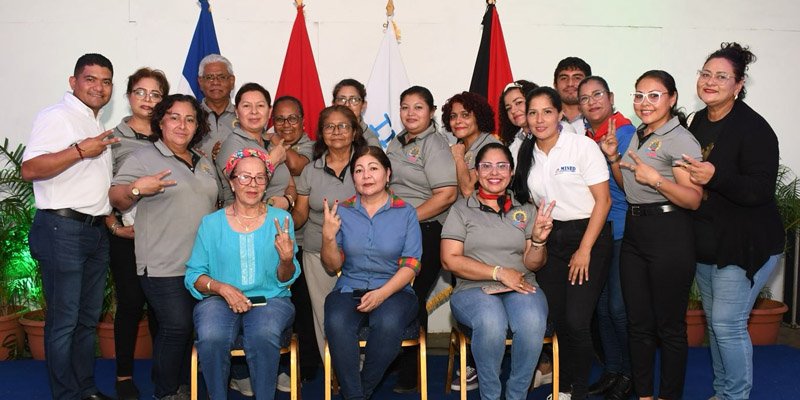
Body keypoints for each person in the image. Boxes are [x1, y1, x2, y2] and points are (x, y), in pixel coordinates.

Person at [686, 42, 784, 400]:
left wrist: (715, 176)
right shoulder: (697, 121)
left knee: (727, 324)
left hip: (746, 245)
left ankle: (735, 396)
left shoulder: (754, 129)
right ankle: (722, 392)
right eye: (706, 73)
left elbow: (759, 190)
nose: (710, 81)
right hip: (708, 243)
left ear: (738, 85)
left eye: (721, 76)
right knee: (716, 325)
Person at [600, 70, 703, 400]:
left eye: (654, 95)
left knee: (669, 328)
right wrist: (614, 158)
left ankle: (668, 396)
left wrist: (656, 180)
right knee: (638, 323)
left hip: (669, 234)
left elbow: (693, 199)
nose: (644, 103)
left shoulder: (681, 140)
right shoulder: (640, 134)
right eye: (639, 95)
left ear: (672, 99)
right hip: (635, 232)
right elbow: (627, 186)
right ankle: (644, 395)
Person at [22, 53, 119, 400]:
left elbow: (91, 183)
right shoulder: (57, 116)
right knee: (64, 320)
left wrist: (110, 218)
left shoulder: (93, 122)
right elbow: (30, 169)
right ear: (73, 82)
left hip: (94, 232)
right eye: (90, 79)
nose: (99, 87)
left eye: (106, 81)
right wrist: (80, 150)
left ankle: (85, 388)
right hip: (62, 229)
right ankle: (65, 394)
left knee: (87, 319)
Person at [109, 94, 218, 400]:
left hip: (200, 267)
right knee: (177, 326)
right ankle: (167, 391)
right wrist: (135, 188)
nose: (182, 124)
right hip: (161, 265)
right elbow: (117, 197)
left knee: (190, 332)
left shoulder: (204, 161)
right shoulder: (144, 158)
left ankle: (185, 385)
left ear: (198, 125)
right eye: (174, 117)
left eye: (190, 118)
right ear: (160, 121)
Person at [441, 143, 554, 400]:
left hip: (521, 285)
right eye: (487, 166)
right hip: (472, 288)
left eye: (502, 166)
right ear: (476, 172)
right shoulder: (461, 209)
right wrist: (499, 272)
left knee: (533, 321)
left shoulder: (526, 209)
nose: (495, 172)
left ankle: (516, 395)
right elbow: (449, 260)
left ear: (512, 172)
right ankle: (490, 396)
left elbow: (534, 263)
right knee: (491, 322)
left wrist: (537, 241)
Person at [186, 149, 300, 400]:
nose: (252, 184)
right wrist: (222, 288)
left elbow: (286, 278)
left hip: (271, 299)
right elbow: (194, 275)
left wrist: (286, 259)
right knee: (212, 335)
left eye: (260, 178)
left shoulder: (281, 220)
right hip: (219, 300)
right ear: (232, 181)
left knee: (262, 334)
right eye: (245, 177)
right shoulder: (211, 223)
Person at [521, 86, 613, 400]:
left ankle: (579, 392)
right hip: (551, 238)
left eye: (547, 111)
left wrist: (585, 249)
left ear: (560, 113)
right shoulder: (526, 153)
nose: (539, 119)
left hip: (589, 236)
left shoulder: (582, 147)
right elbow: (534, 203)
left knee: (577, 319)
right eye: (532, 112)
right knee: (558, 318)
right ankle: (561, 388)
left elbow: (603, 201)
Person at [320, 145, 422, 400]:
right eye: (359, 170)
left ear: (388, 174)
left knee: (387, 323)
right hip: (349, 287)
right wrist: (328, 237)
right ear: (352, 177)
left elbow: (411, 266)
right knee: (336, 321)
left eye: (373, 168)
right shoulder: (341, 210)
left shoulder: (406, 212)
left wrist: (381, 294)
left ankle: (357, 393)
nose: (366, 176)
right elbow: (332, 265)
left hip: (394, 290)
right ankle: (357, 396)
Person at [385, 85, 457, 392]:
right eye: (405, 107)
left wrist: (406, 218)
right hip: (396, 230)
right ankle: (398, 361)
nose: (411, 113)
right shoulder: (396, 143)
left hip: (427, 230)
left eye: (418, 107)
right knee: (398, 296)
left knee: (411, 297)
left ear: (431, 112)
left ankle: (411, 372)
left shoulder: (435, 145)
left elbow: (446, 194)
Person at [105, 67, 169, 400]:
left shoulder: (171, 134)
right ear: (129, 95)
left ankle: (165, 376)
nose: (147, 100)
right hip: (127, 234)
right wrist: (114, 225)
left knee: (163, 306)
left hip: (165, 234)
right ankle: (124, 376)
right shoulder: (111, 137)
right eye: (140, 92)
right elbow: (100, 189)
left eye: (155, 94)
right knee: (130, 303)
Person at [292, 105, 367, 361]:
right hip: (317, 253)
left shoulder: (367, 164)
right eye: (329, 127)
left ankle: (359, 371)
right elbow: (301, 214)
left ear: (355, 131)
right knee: (325, 315)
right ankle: (334, 374)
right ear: (321, 134)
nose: (336, 132)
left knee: (359, 312)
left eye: (343, 126)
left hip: (362, 254)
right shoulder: (311, 170)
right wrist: (281, 221)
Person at [577, 76, 635, 400]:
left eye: (597, 94)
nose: (592, 101)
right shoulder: (586, 137)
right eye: (584, 98)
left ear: (611, 97)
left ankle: (630, 373)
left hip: (622, 229)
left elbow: (630, 189)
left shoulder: (624, 133)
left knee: (617, 307)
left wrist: (612, 157)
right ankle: (612, 370)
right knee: (599, 308)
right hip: (597, 230)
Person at [216, 83, 296, 210]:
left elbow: (290, 186)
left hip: (276, 222)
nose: (254, 111)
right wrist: (273, 160)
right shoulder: (232, 144)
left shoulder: (271, 143)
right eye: (247, 106)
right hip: (243, 222)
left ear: (269, 112)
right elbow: (244, 184)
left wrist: (287, 200)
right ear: (236, 111)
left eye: (260, 106)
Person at [441, 91, 501, 198]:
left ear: (478, 117)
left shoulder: (491, 147)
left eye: (465, 115)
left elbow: (468, 192)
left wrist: (459, 158)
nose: (458, 121)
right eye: (453, 116)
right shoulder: (460, 146)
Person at [196, 54, 237, 157]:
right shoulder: (191, 116)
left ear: (232, 81)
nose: (215, 82)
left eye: (221, 77)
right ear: (200, 82)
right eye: (209, 77)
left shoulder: (245, 116)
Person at [271, 96, 315, 177]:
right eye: (280, 119)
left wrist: (277, 140)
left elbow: (295, 167)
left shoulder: (315, 147)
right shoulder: (263, 144)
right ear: (273, 123)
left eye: (293, 119)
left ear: (302, 122)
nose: (286, 125)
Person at [331, 78, 382, 147]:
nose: (347, 104)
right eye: (342, 99)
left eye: (354, 100)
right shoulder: (326, 135)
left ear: (363, 106)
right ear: (333, 104)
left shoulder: (370, 142)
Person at [498, 80, 539, 163]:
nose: (513, 111)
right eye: (508, 108)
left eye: (518, 102)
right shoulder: (511, 147)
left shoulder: (559, 132)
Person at [553, 57, 592, 135]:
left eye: (577, 78)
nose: (570, 84)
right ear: (555, 85)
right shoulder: (544, 119)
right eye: (564, 78)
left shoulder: (598, 118)